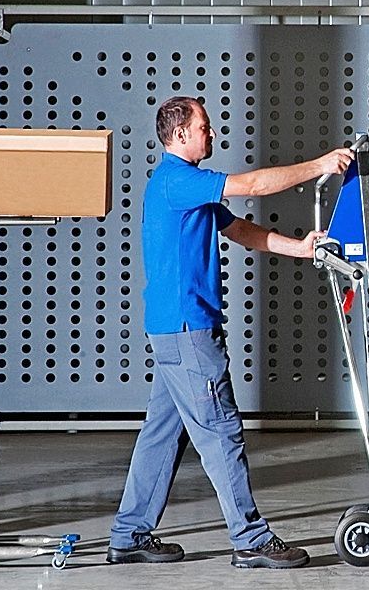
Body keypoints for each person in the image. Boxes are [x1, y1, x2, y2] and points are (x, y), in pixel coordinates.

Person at [104, 96, 351, 569]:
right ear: (179, 135)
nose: (212, 135)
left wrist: (300, 249)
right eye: (204, 128)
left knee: (163, 434)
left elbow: (241, 230)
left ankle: (130, 533)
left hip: (173, 331)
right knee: (221, 432)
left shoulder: (188, 187)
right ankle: (251, 539)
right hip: (188, 330)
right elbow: (255, 184)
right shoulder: (180, 180)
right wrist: (321, 164)